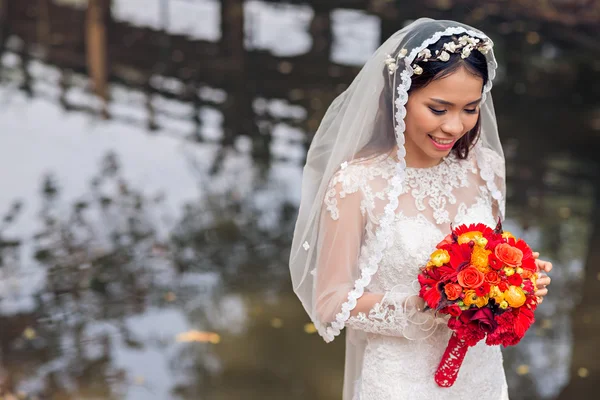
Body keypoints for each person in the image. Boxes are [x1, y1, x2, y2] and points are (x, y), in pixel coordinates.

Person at [289, 18, 552, 399]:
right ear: (401, 96)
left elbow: (485, 255)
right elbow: (330, 304)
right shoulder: (357, 184)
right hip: (399, 381)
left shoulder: (487, 168)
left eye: (470, 109)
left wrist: (516, 277)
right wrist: (433, 306)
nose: (455, 126)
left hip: (480, 376)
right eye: (439, 108)